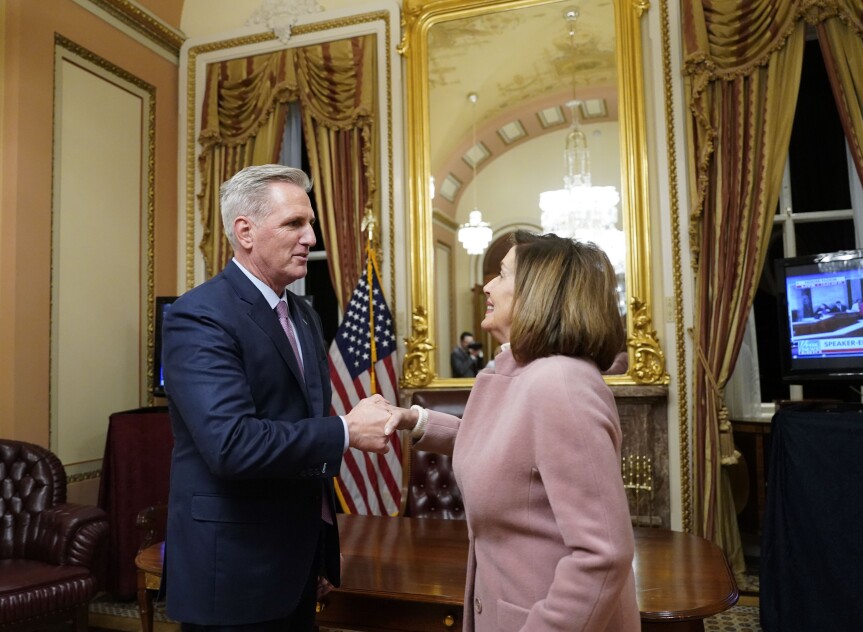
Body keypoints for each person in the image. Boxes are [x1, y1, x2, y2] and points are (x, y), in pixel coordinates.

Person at [161, 164, 400, 631]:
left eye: (310, 223)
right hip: (233, 573)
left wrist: (315, 554)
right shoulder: (200, 315)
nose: (310, 238)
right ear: (244, 232)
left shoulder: (303, 313)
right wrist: (347, 430)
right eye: (294, 224)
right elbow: (231, 445)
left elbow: (300, 426)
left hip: (295, 564)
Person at [386, 231, 640, 631]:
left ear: (538, 293)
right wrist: (414, 421)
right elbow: (509, 448)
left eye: (501, 275)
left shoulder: (560, 383)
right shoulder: (524, 372)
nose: (487, 286)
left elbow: (603, 553)